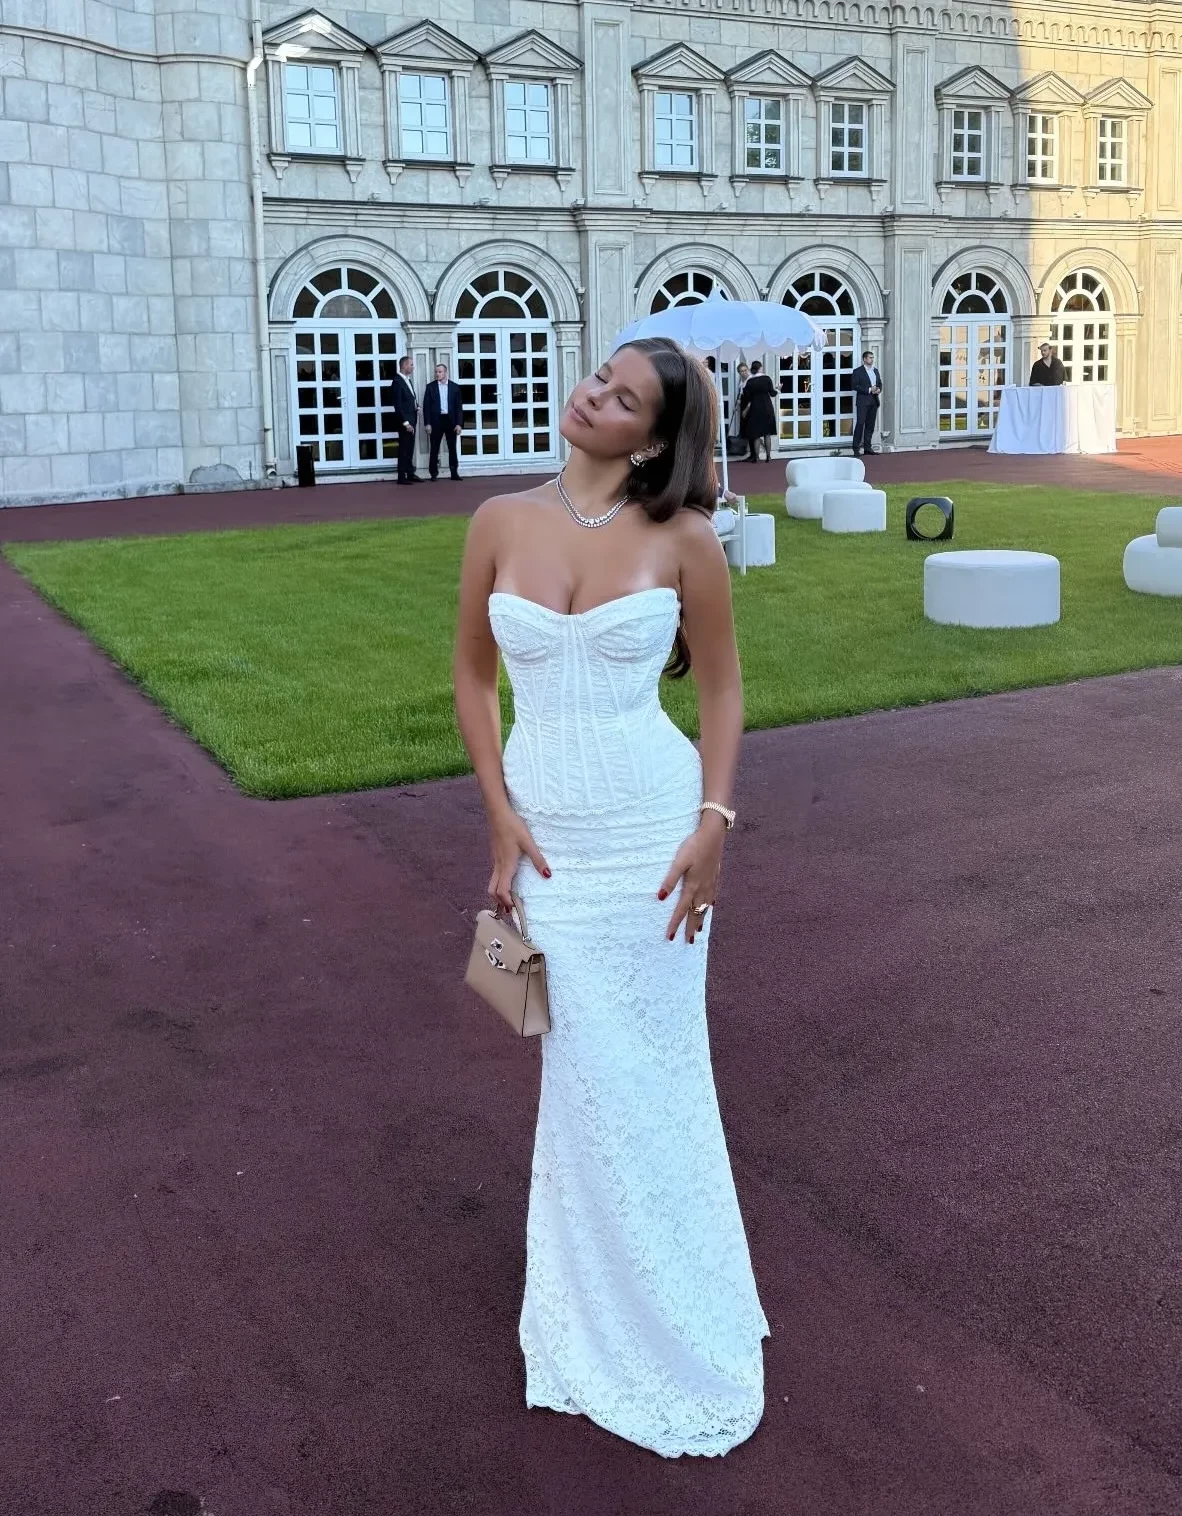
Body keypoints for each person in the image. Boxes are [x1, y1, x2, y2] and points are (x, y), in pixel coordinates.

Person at [452, 336, 769, 1458]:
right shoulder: (499, 519)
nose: (593, 396)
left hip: (652, 840)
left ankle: (678, 1298)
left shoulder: (686, 540)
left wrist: (715, 824)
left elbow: (723, 689)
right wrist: (496, 813)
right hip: (548, 845)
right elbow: (472, 676)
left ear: (652, 438)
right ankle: (585, 1309)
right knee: (577, 1068)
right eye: (600, 376)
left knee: (656, 1071)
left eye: (623, 398)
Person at [423, 361, 464, 480]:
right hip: (436, 420)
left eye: (440, 372)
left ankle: (454, 472)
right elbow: (426, 407)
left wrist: (459, 424)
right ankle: (433, 473)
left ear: (446, 373)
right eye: (436, 372)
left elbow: (458, 407)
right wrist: (427, 423)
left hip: (450, 421)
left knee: (452, 447)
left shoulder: (455, 387)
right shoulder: (430, 387)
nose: (437, 374)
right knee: (434, 448)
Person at [739, 360, 777, 462]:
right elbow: (772, 393)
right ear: (760, 368)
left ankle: (756, 457)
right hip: (767, 408)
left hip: (755, 409)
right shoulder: (767, 379)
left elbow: (747, 397)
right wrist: (778, 389)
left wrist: (746, 409)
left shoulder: (750, 382)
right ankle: (768, 457)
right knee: (767, 434)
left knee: (756, 435)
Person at [392, 354, 419, 484]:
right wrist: (406, 423)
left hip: (412, 418)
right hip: (405, 422)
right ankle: (401, 477)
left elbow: (409, 399)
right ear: (404, 366)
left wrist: (416, 406)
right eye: (411, 364)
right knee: (404, 449)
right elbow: (398, 405)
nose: (413, 367)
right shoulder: (397, 382)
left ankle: (410, 473)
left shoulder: (408, 380)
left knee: (410, 448)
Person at [850, 349, 882, 455]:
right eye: (870, 358)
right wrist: (869, 389)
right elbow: (854, 385)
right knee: (860, 424)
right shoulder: (857, 371)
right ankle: (856, 448)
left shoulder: (875, 370)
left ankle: (867, 447)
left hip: (874, 401)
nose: (872, 359)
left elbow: (879, 383)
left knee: (870, 425)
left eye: (873, 358)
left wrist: (878, 389)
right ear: (864, 359)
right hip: (863, 402)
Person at [727, 361, 749, 445]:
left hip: (749, 406)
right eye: (742, 371)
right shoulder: (742, 380)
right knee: (743, 426)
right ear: (739, 373)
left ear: (748, 369)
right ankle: (743, 445)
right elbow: (741, 393)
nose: (744, 372)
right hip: (743, 404)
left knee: (748, 427)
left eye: (745, 370)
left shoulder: (750, 380)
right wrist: (738, 404)